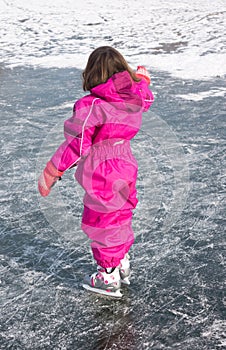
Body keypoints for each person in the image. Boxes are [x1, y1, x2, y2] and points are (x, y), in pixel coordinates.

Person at [38, 46, 154, 298]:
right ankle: (121, 261)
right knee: (120, 213)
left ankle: (108, 275)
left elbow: (77, 144)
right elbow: (146, 96)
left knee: (101, 220)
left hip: (102, 169)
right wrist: (142, 80)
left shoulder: (91, 105)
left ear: (91, 73)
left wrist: (52, 170)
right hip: (125, 163)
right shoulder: (134, 97)